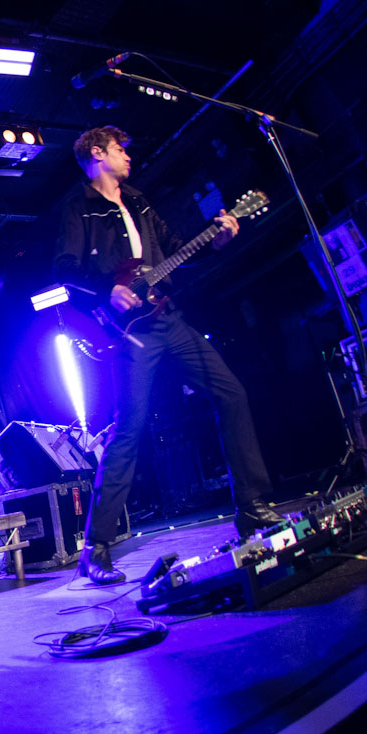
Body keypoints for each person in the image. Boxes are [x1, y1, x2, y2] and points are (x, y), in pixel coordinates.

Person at [54, 125, 281, 585]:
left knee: (232, 395)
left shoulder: (138, 201)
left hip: (169, 321)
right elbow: (65, 272)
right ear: (97, 154)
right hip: (130, 335)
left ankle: (254, 511)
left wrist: (215, 239)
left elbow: (178, 253)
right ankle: (95, 547)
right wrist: (108, 290)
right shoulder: (79, 209)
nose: (128, 157)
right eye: (120, 149)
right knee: (130, 430)